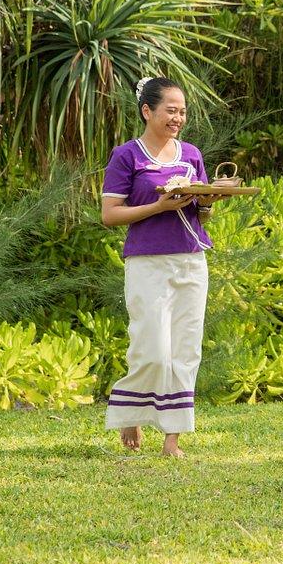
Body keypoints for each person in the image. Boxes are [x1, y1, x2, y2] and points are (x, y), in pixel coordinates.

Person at [100, 76, 225, 457]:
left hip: (191, 259)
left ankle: (173, 438)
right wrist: (158, 206)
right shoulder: (127, 156)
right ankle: (131, 412)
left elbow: (202, 213)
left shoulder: (191, 154)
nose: (178, 118)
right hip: (147, 262)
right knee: (152, 348)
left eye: (182, 112)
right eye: (171, 110)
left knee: (186, 348)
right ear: (147, 111)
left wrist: (207, 201)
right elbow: (110, 214)